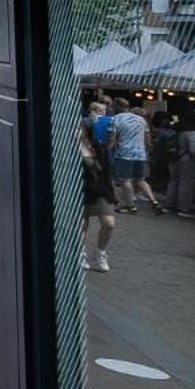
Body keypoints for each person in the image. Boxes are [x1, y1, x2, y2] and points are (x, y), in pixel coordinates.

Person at [106, 97, 157, 214]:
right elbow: (148, 139)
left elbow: (112, 139)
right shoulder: (141, 120)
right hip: (140, 154)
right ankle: (154, 201)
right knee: (141, 180)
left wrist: (107, 151)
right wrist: (148, 151)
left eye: (113, 106)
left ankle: (131, 205)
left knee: (125, 180)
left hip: (124, 154)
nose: (112, 109)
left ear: (117, 107)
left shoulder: (116, 119)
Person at [79, 114, 117, 271]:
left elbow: (107, 172)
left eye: (80, 129)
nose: (77, 132)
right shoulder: (67, 147)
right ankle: (80, 252)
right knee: (81, 224)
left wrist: (111, 192)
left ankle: (100, 252)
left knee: (109, 223)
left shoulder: (98, 147)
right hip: (80, 189)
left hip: (99, 190)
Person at [171, 108, 195, 217]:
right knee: (188, 184)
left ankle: (170, 204)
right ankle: (184, 208)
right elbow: (194, 150)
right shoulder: (194, 133)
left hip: (178, 157)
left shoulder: (182, 130)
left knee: (175, 181)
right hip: (189, 161)